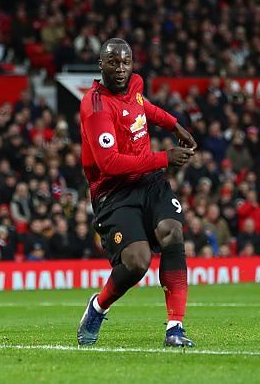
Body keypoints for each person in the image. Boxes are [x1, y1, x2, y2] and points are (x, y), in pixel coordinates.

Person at [76, 38, 197, 347]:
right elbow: (110, 163)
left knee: (172, 232)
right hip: (113, 191)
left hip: (149, 181)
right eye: (113, 63)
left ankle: (175, 328)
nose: (120, 69)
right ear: (100, 65)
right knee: (137, 261)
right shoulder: (95, 107)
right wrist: (164, 158)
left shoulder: (135, 85)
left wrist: (174, 125)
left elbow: (143, 107)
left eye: (125, 63)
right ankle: (98, 307)